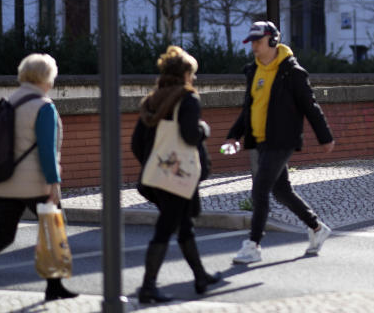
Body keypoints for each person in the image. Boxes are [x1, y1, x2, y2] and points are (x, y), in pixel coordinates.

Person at [0, 53, 78, 307]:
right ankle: (54, 287)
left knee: (3, 236)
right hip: (34, 184)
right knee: (53, 230)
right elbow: (47, 150)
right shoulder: (44, 106)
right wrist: (54, 184)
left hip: (4, 181)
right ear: (46, 77)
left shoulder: (8, 102)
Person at [222, 21, 336, 263]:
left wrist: (324, 137)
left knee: (260, 189)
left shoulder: (292, 72)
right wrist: (234, 135)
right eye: (251, 42)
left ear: (273, 41)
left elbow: (310, 106)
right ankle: (317, 228)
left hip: (283, 139)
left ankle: (253, 244)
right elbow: (248, 108)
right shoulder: (253, 71)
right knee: (281, 190)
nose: (254, 46)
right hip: (261, 140)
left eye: (258, 41)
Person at [131, 46, 219, 303]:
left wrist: (156, 165)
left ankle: (200, 276)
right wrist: (203, 129)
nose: (194, 78)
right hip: (177, 177)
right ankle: (148, 287)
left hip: (156, 178)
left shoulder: (152, 100)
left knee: (184, 226)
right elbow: (190, 135)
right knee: (166, 228)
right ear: (185, 74)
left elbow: (137, 143)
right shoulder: (187, 99)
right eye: (192, 73)